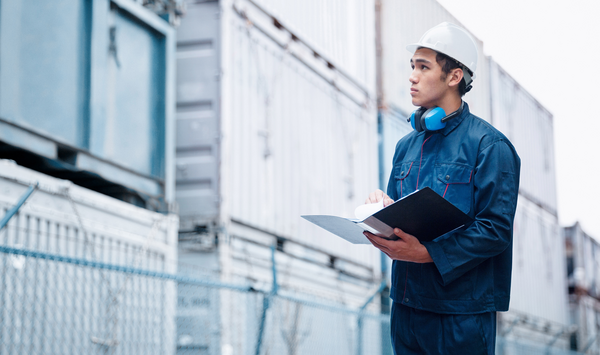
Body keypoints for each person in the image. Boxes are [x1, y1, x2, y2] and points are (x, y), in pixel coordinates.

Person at [364, 22, 521, 354]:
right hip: (406, 308)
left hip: (459, 315)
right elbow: (402, 216)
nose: (412, 76)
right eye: (412, 67)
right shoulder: (406, 146)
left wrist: (426, 253)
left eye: (424, 67)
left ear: (454, 76)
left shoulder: (489, 146)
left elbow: (495, 230)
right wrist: (380, 210)